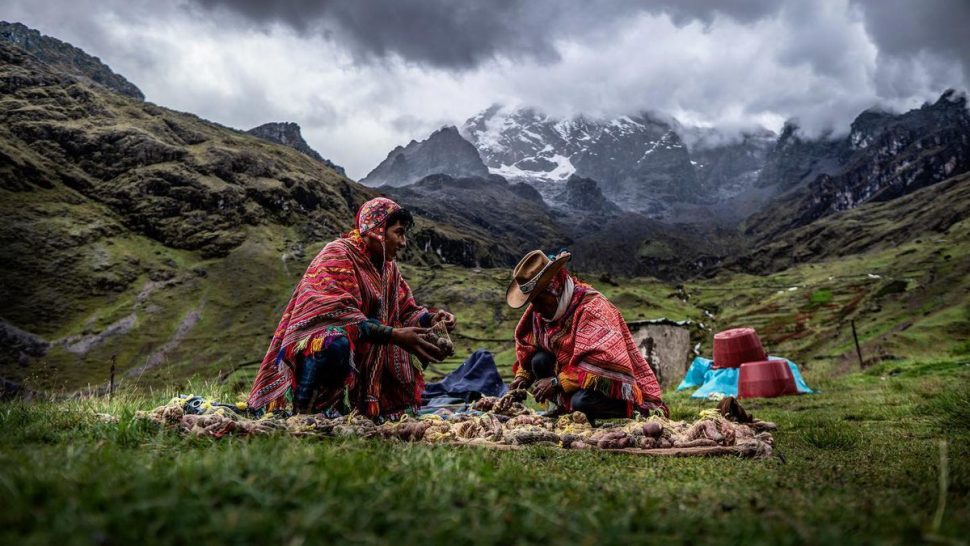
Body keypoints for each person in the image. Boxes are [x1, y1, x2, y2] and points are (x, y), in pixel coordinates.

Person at [248, 197, 456, 418]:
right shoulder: (337, 254)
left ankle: (349, 410)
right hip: (317, 355)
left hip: (357, 360)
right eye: (399, 232)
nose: (404, 242)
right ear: (376, 231)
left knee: (381, 345)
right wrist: (393, 335)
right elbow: (338, 316)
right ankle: (303, 410)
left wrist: (431, 320)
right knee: (332, 341)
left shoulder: (388, 269)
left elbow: (406, 311)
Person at [507, 250, 668, 420]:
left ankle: (629, 410)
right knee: (538, 360)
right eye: (532, 301)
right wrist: (523, 377)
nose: (536, 308)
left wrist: (556, 382)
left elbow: (603, 363)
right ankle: (562, 408)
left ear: (554, 290)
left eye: (540, 299)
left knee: (581, 403)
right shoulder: (541, 312)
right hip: (573, 377)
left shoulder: (592, 308)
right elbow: (530, 346)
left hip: (610, 382)